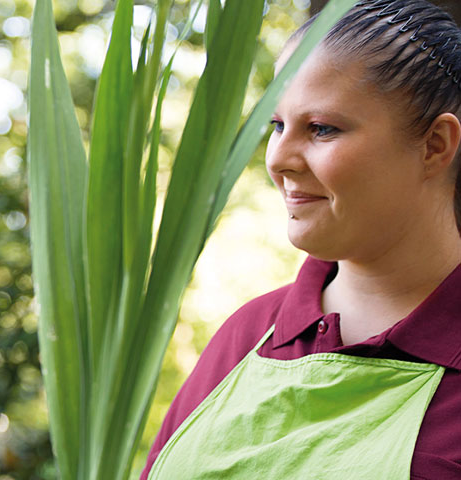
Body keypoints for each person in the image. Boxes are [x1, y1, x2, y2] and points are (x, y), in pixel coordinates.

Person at [142, 1, 461, 478]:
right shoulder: (247, 335)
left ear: (435, 145)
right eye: (276, 126)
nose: (278, 159)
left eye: (321, 128)